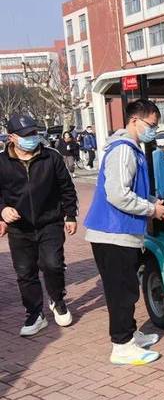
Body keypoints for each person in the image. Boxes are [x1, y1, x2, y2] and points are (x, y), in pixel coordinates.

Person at [84, 99, 164, 365]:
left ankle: (130, 334)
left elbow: (132, 190)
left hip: (122, 233)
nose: (153, 131)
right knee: (121, 292)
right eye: (151, 125)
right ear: (135, 120)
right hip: (113, 233)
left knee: (127, 288)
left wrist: (153, 202)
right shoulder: (123, 150)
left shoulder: (131, 149)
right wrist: (152, 209)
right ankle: (122, 345)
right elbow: (118, 194)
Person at [0, 113, 78, 336]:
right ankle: (35, 314)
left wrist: (70, 215)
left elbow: (66, 187)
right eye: (26, 135)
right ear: (12, 137)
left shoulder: (51, 157)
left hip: (50, 222)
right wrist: (2, 210)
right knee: (25, 272)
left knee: (53, 264)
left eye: (34, 132)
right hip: (19, 228)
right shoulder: (2, 162)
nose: (32, 138)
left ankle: (57, 300)